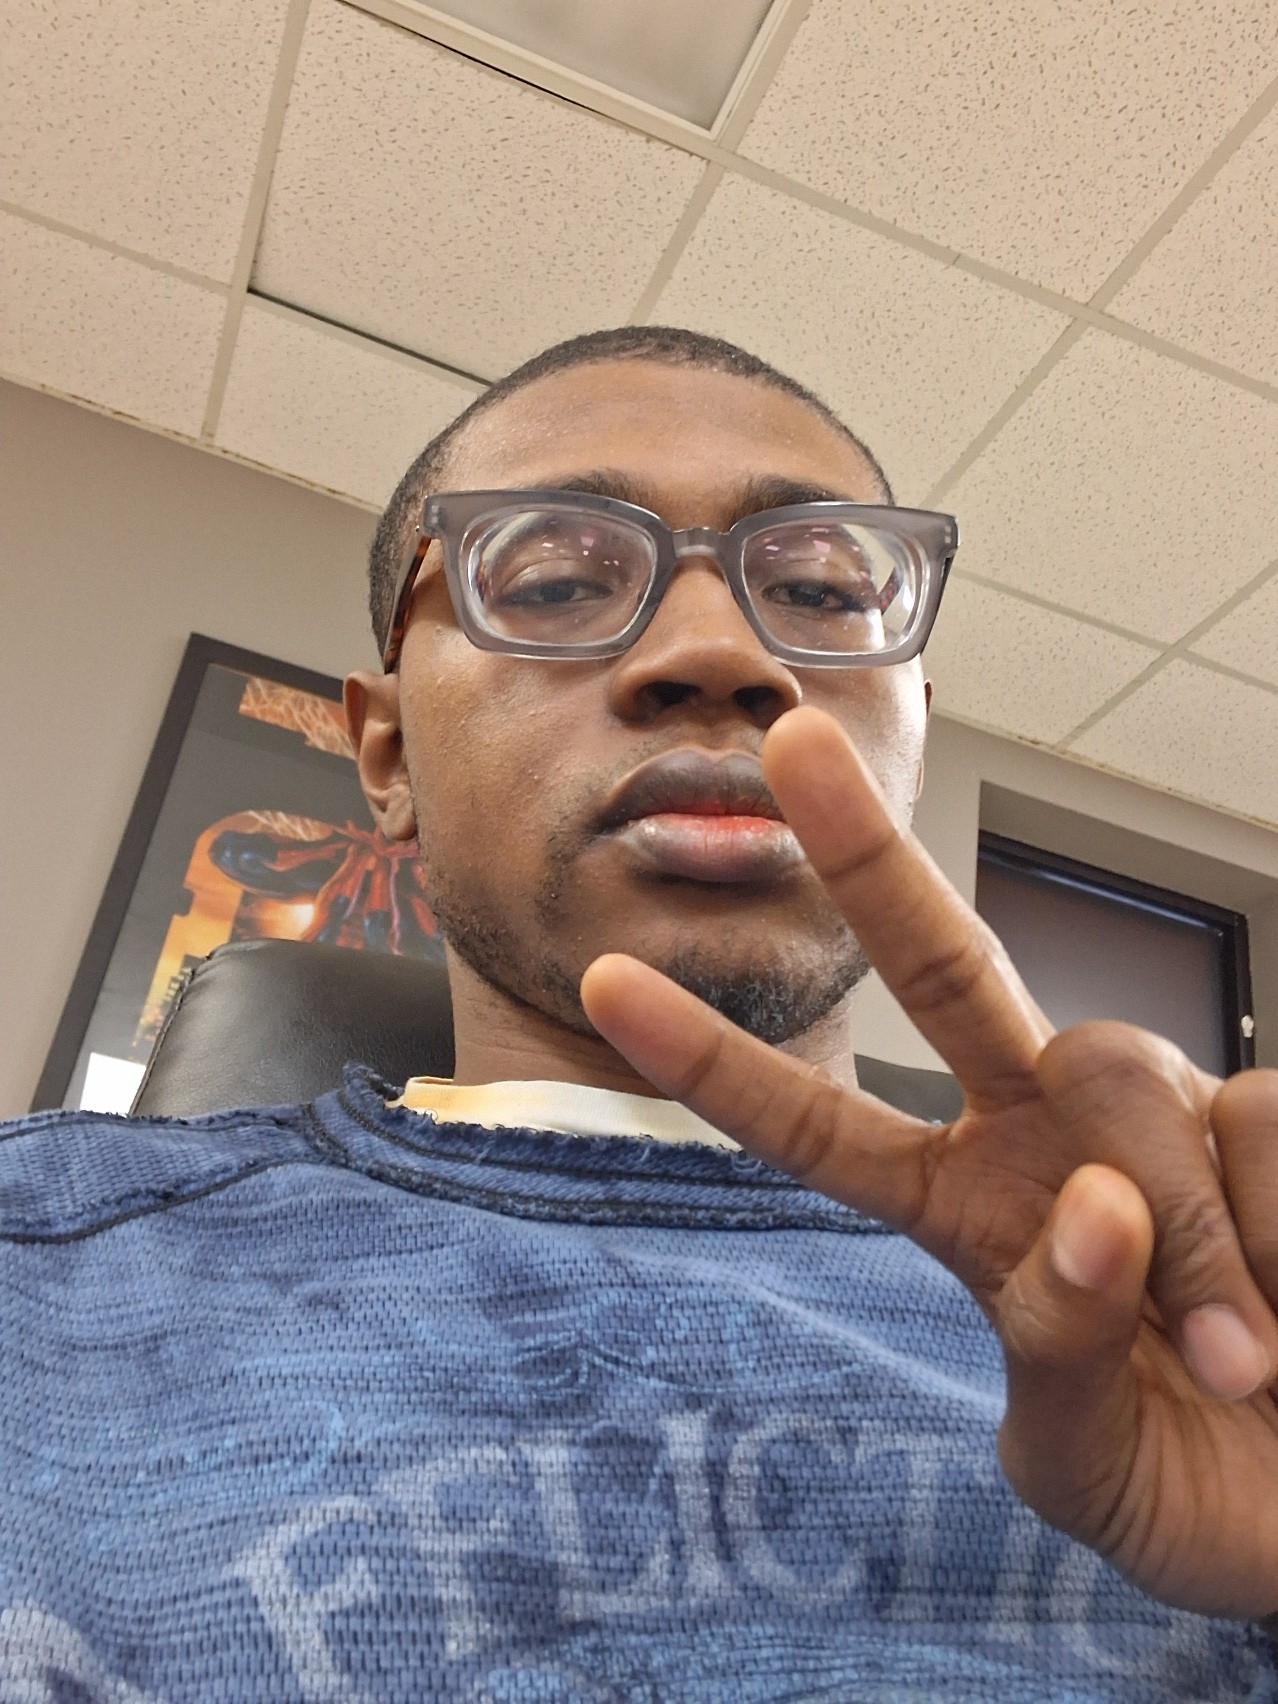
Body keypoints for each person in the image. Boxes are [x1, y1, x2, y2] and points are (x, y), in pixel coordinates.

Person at [2, 326, 1275, 1703]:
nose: (723, 652)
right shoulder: (44, 1258)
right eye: (553, 579)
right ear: (388, 753)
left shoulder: (1166, 1317)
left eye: (817, 592)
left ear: (912, 734)